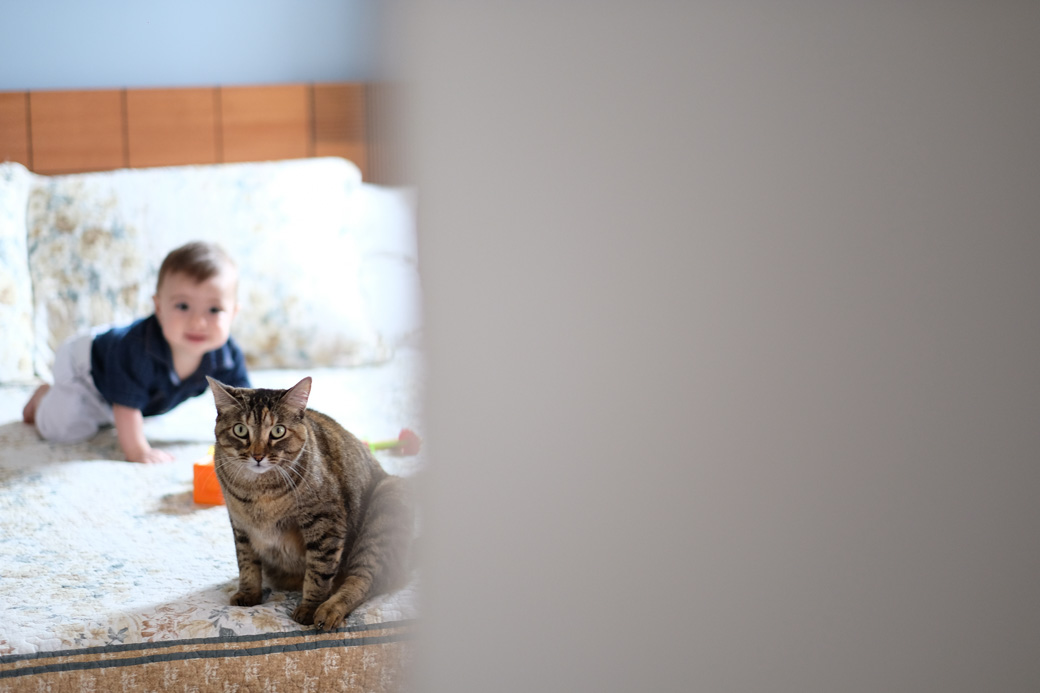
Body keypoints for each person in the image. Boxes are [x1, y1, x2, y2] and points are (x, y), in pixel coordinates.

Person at [22, 241, 251, 463]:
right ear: (159, 307)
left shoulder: (227, 357)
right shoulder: (138, 351)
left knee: (115, 415)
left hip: (117, 378)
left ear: (233, 313)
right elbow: (126, 408)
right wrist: (138, 451)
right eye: (183, 306)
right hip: (86, 367)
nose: (198, 322)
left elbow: (245, 405)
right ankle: (43, 397)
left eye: (214, 309)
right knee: (61, 430)